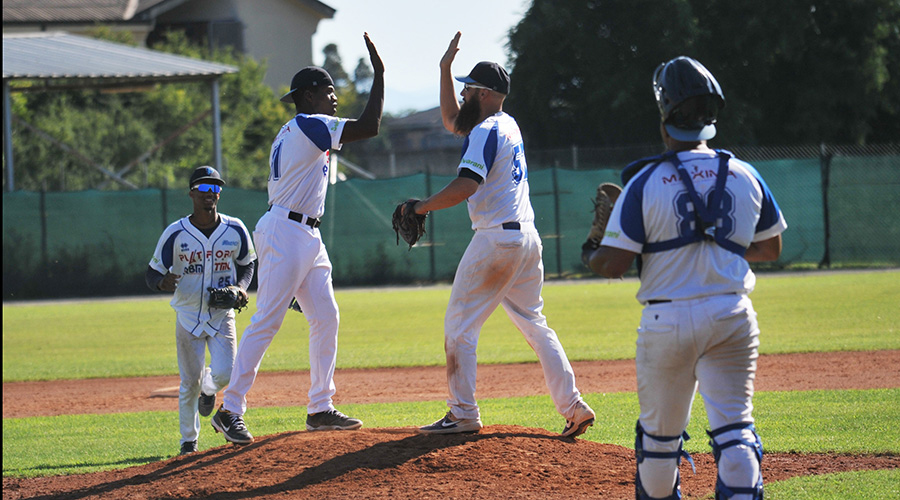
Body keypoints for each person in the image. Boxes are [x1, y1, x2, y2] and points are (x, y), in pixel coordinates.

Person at [584, 56, 786, 499]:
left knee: (658, 444)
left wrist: (594, 248)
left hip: (667, 322)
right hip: (732, 315)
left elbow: (613, 265)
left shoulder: (644, 182)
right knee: (735, 431)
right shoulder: (746, 174)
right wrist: (718, 246)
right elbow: (771, 248)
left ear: (665, 113)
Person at [409, 32, 595, 438]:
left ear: (485, 94)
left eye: (469, 89)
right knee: (534, 323)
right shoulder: (506, 125)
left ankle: (462, 413)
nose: (464, 96)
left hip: (498, 241)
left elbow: (465, 186)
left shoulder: (485, 131)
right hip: (527, 240)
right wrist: (444, 69)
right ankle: (574, 405)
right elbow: (451, 121)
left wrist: (419, 207)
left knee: (459, 326)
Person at [211, 33, 384, 444]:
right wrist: (378, 75)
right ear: (309, 97)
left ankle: (320, 407)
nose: (334, 97)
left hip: (305, 234)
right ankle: (229, 408)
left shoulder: (295, 128)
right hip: (286, 231)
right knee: (267, 320)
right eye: (328, 91)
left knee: (326, 316)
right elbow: (371, 127)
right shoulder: (310, 124)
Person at [146, 165, 257, 456]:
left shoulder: (235, 229)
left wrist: (242, 288)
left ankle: (210, 390)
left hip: (222, 314)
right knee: (188, 383)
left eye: (216, 188)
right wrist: (162, 282)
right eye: (205, 188)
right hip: (187, 315)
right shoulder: (176, 233)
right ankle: (188, 442)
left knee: (226, 372)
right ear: (192, 193)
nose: (211, 194)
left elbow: (247, 264)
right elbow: (151, 272)